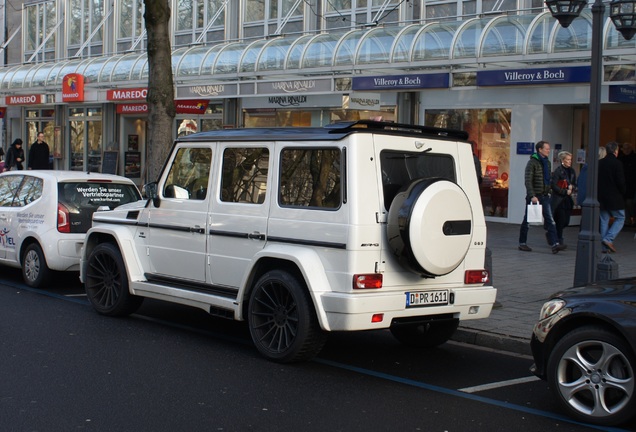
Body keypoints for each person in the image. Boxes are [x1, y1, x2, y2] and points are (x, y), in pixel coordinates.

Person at [518, 140, 565, 254]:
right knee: (528, 220)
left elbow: (548, 179)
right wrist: (532, 195)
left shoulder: (547, 163)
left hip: (545, 195)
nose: (549, 150)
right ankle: (522, 243)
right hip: (535, 196)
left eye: (549, 148)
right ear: (540, 149)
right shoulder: (532, 163)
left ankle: (555, 244)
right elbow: (528, 180)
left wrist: (548, 191)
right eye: (547, 148)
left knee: (550, 220)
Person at [598, 141, 626, 253]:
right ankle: (608, 239)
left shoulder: (600, 163)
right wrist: (623, 192)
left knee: (604, 220)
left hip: (601, 197)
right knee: (620, 217)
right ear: (616, 151)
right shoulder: (617, 163)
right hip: (615, 197)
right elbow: (620, 181)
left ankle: (605, 247)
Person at [551, 151, 576, 246]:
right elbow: (553, 185)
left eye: (570, 160)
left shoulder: (572, 171)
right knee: (560, 221)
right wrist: (565, 191)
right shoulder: (558, 171)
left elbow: (574, 183)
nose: (569, 161)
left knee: (566, 221)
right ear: (562, 160)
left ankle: (556, 236)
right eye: (568, 159)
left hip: (568, 200)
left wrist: (572, 187)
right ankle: (559, 239)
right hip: (559, 200)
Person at [618, 142, 636, 226]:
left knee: (630, 203)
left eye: (627, 148)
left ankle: (632, 218)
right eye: (624, 148)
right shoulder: (621, 158)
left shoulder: (634, 158)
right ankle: (627, 220)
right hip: (624, 184)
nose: (626, 150)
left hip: (632, 184)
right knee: (624, 203)